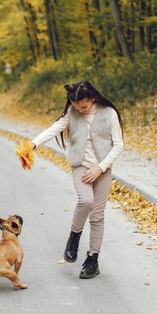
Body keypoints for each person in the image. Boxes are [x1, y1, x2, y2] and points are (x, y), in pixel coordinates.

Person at [30, 80, 123, 279]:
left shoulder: (109, 113)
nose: (79, 110)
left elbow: (118, 145)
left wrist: (100, 168)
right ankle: (74, 236)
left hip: (102, 168)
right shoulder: (73, 113)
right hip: (80, 165)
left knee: (97, 215)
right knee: (85, 201)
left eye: (83, 106)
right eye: (75, 106)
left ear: (93, 98)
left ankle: (92, 260)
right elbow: (53, 129)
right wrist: (33, 144)